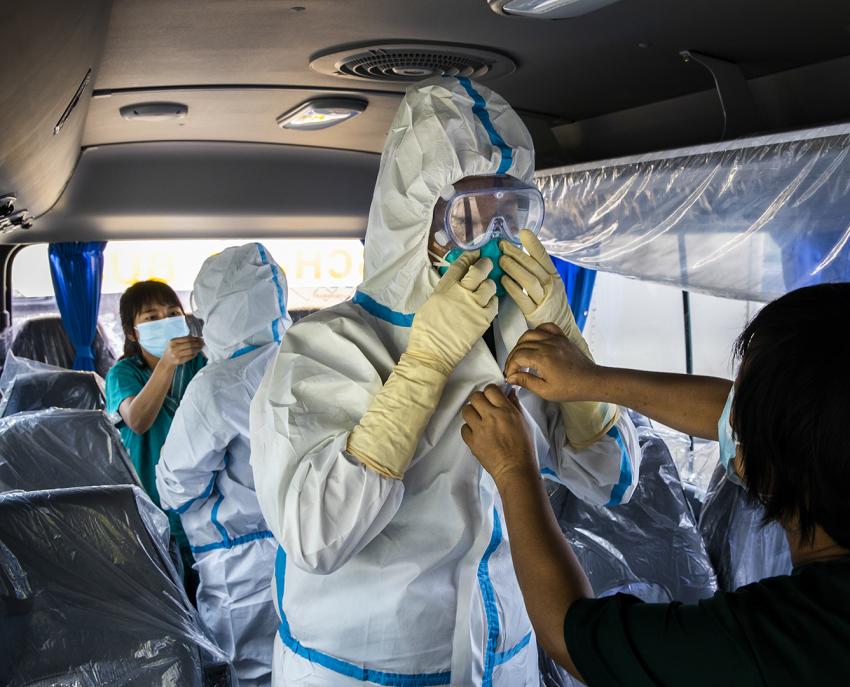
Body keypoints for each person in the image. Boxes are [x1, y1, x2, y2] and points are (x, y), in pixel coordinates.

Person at [250, 76, 641, 686]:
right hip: (363, 669)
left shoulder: (528, 338)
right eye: (468, 216)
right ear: (415, 223)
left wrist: (571, 347)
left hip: (503, 654)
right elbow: (315, 538)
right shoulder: (324, 347)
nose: (494, 237)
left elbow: (611, 484)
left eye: (510, 213)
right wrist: (424, 366)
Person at [463, 283, 850, 686]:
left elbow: (568, 633)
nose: (731, 413)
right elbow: (750, 416)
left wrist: (514, 471)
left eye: (746, 407)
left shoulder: (786, 646)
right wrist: (591, 381)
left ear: (777, 465)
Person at [157, 244, 290, 686]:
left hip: (237, 568)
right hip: (304, 554)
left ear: (213, 309)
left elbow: (175, 488)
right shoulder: (305, 361)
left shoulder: (215, 385)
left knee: (244, 675)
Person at [106, 279, 206, 595]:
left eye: (173, 313)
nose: (164, 322)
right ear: (133, 332)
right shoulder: (124, 373)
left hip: (201, 499)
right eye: (151, 317)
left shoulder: (201, 364)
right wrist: (166, 363)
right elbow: (138, 419)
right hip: (152, 506)